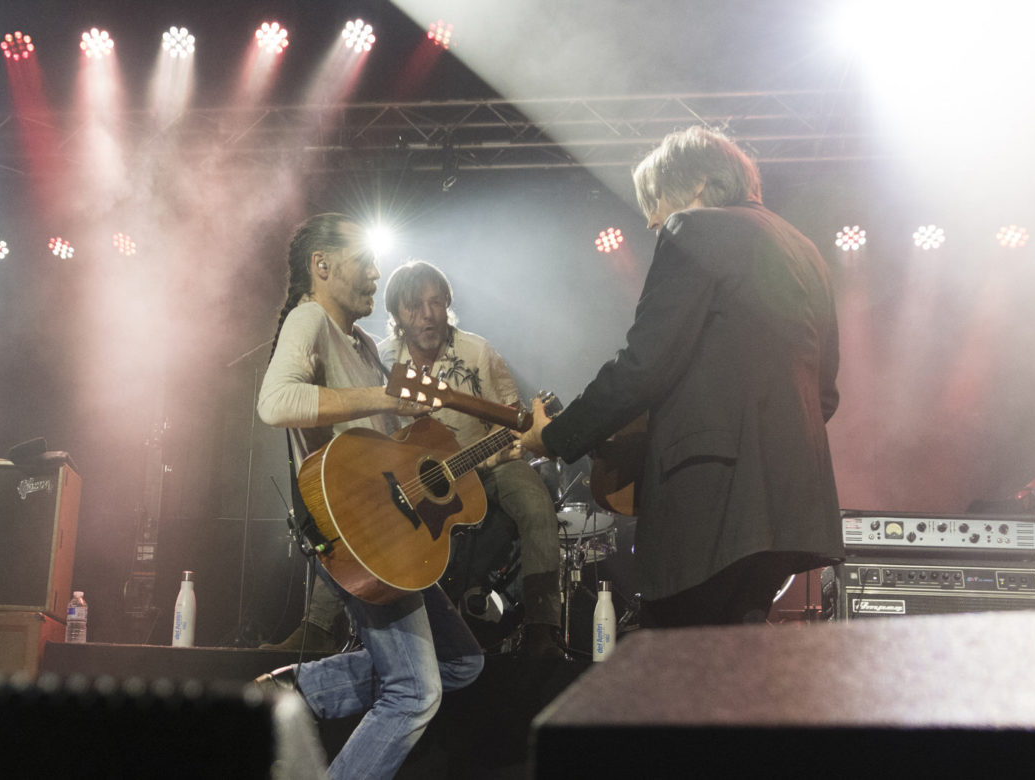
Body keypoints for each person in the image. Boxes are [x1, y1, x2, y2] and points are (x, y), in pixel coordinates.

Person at [519, 126, 844, 628]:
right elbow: (824, 394)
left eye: (654, 200)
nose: (650, 219)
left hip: (712, 501)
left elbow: (645, 363)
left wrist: (557, 435)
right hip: (792, 505)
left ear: (695, 187)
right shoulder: (806, 251)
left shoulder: (695, 227)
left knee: (673, 668)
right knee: (732, 668)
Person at [253, 213, 484, 779]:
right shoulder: (309, 319)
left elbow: (381, 442)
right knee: (413, 693)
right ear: (322, 265)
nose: (377, 274)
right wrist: (381, 395)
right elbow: (276, 403)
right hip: (358, 532)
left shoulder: (358, 341)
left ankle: (297, 691)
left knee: (462, 661)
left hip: (390, 529)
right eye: (364, 261)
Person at [379, 260, 566, 657]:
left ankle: (542, 629)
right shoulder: (380, 361)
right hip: (410, 479)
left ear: (448, 303)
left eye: (436, 302)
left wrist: (488, 455)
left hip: (490, 462)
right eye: (415, 306)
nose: (429, 315)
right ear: (395, 314)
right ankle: (331, 629)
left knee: (536, 504)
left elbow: (515, 418)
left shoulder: (477, 352)